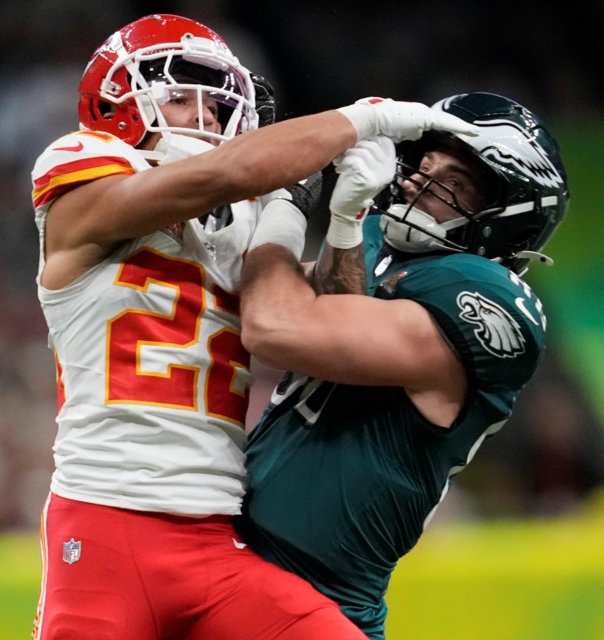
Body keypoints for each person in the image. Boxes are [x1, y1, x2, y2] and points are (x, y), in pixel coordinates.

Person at [28, 12, 477, 640]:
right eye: (180, 97)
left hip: (217, 538)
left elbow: (329, 323)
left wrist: (338, 217)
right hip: (106, 521)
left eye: (216, 106)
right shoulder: (83, 171)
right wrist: (362, 118)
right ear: (116, 107)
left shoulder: (242, 219)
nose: (204, 117)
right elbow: (227, 172)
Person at [236, 92, 569, 639]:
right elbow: (305, 301)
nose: (418, 180)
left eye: (454, 183)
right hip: (238, 563)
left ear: (508, 219)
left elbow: (278, 327)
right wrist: (345, 225)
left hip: (321, 600)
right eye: (425, 165)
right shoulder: (377, 243)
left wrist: (287, 205)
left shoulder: (484, 297)